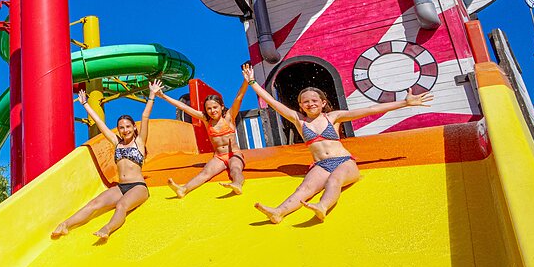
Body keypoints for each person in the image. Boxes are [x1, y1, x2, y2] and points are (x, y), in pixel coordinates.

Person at [242, 63, 433, 223]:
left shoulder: (333, 117)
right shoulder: (298, 120)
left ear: (323, 102)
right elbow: (273, 103)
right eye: (305, 102)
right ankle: (279, 212)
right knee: (304, 188)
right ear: (300, 105)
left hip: (343, 161)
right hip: (321, 165)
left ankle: (322, 206)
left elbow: (371, 109)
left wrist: (404, 103)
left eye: (314, 100)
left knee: (335, 181)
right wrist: (252, 82)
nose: (310, 104)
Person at [51, 87, 156, 243]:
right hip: (121, 187)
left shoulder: (139, 142)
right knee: (95, 204)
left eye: (128, 126)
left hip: (138, 187)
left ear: (134, 127)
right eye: (121, 127)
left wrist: (152, 95)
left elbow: (145, 116)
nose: (125, 130)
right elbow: (100, 123)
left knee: (121, 206)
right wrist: (85, 104)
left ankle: (107, 228)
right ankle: (66, 224)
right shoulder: (116, 142)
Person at [149, 76, 250, 197]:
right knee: (205, 173)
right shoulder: (207, 120)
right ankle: (183, 189)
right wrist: (163, 96)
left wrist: (246, 81)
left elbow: (239, 98)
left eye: (215, 107)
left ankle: (237, 184)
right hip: (219, 157)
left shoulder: (229, 117)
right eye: (209, 109)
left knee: (235, 169)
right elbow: (184, 108)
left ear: (222, 107)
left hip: (234, 154)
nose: (212, 111)